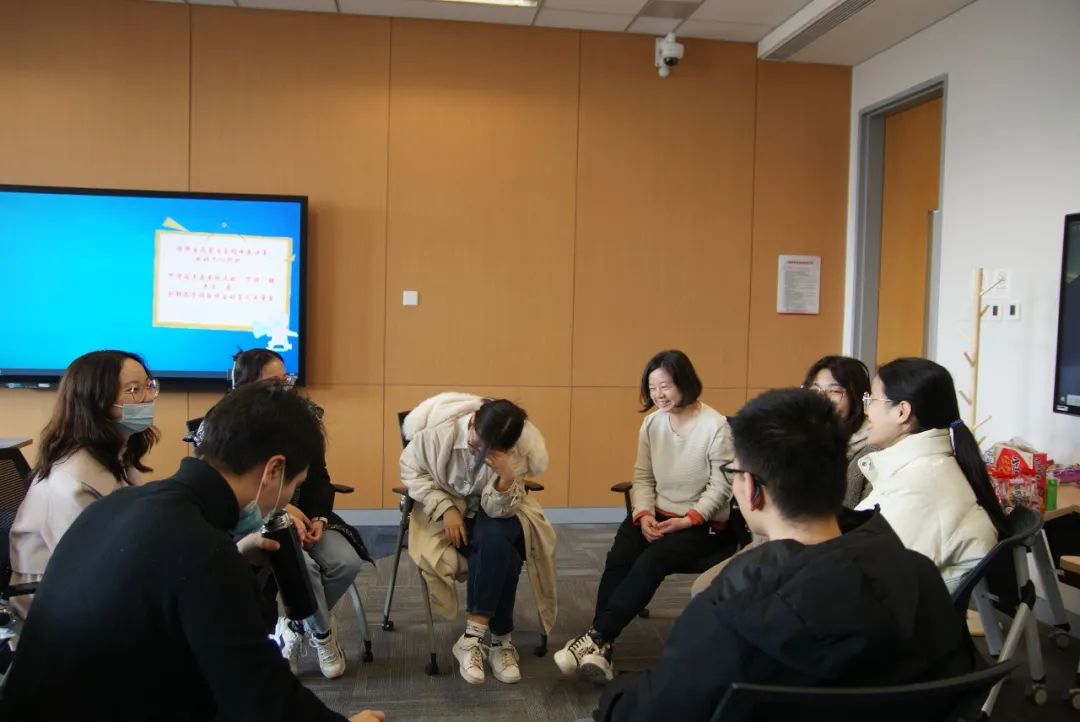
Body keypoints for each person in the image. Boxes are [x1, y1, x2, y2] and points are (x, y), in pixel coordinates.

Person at [0, 381, 384, 722]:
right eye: (293, 485)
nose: (286, 499)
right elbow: (261, 699)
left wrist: (237, 564)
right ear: (273, 470)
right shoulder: (202, 551)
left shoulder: (122, 505)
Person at [594, 388, 977, 721]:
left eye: (733, 472)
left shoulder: (730, 608)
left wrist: (615, 695)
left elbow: (654, 711)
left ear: (751, 488)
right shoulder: (920, 576)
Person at [556, 349, 740, 683]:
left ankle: (597, 636)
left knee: (652, 560)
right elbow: (642, 477)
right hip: (656, 513)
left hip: (702, 524)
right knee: (619, 557)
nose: (658, 394)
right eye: (652, 388)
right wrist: (643, 515)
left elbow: (722, 486)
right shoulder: (652, 423)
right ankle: (603, 647)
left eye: (665, 386)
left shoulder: (715, 426)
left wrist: (689, 519)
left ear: (685, 382)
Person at [199, 348, 365, 679]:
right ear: (247, 385)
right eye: (274, 382)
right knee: (302, 569)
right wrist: (282, 507)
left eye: (286, 380)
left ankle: (295, 625)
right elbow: (225, 488)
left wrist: (317, 517)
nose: (284, 388)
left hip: (306, 516)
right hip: (252, 519)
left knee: (346, 561)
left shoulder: (300, 423)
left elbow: (319, 478)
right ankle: (323, 635)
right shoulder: (223, 425)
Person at [400, 392, 556, 686]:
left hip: (492, 508)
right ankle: (501, 639)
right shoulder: (437, 434)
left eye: (490, 452)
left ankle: (472, 638)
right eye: (475, 445)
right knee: (507, 553)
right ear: (472, 421)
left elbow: (496, 510)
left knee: (498, 534)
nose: (479, 454)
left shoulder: (516, 451)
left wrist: (506, 477)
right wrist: (445, 507)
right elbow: (411, 472)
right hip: (444, 508)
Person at [8, 350, 159, 618]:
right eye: (133, 390)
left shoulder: (119, 455)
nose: (148, 397)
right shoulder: (70, 482)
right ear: (96, 402)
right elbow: (92, 569)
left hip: (100, 588)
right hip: (54, 608)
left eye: (148, 386)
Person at [856, 357, 1005, 591]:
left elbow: (857, 571)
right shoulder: (929, 469)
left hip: (903, 610)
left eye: (872, 400)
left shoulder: (917, 488)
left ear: (902, 411)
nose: (866, 410)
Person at [801, 354, 873, 506]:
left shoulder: (872, 449)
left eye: (834, 391)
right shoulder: (797, 438)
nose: (822, 399)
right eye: (815, 390)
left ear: (856, 397)